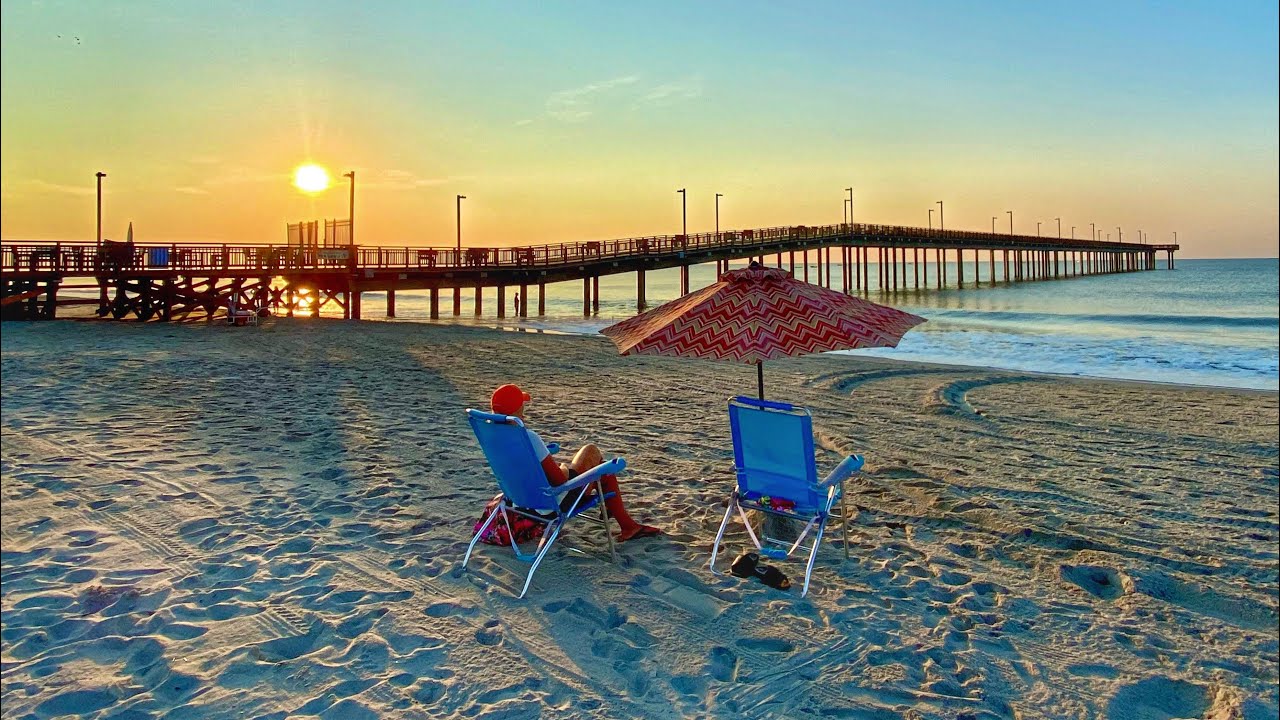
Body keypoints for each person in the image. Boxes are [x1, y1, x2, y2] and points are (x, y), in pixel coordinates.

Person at [490, 383, 660, 542]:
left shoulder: (493, 438)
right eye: (522, 407)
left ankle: (624, 521)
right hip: (549, 503)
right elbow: (560, 481)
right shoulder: (528, 438)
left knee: (600, 468)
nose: (524, 412)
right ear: (516, 411)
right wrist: (563, 467)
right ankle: (627, 525)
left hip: (518, 500)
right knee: (594, 456)